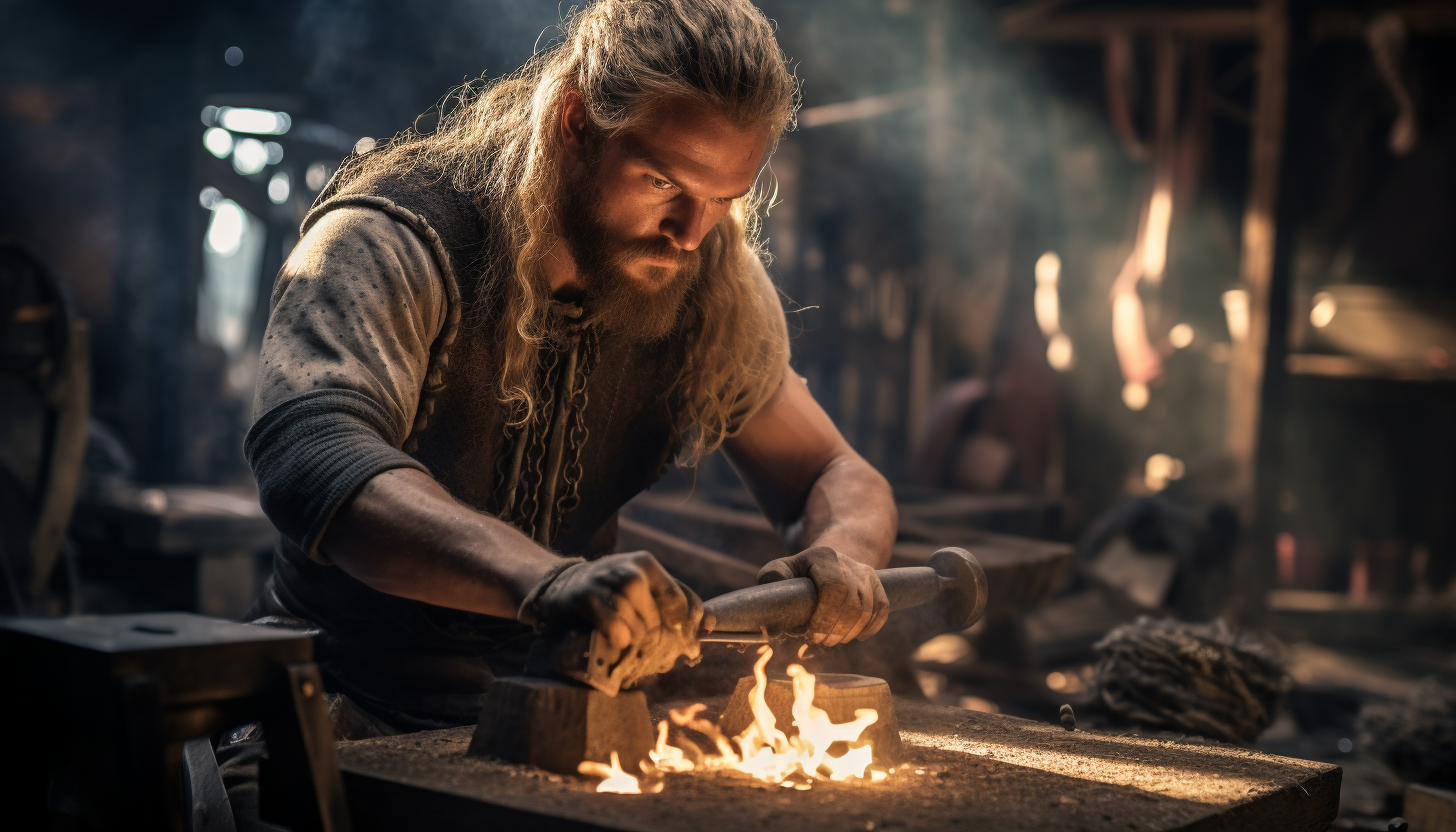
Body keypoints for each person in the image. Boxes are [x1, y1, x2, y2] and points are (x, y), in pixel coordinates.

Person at [243, 0, 897, 741]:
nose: (690, 234)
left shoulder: (712, 282)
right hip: (342, 703)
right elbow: (316, 464)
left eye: (722, 199)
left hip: (565, 714)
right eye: (662, 183)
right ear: (575, 122)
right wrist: (545, 581)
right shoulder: (389, 241)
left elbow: (835, 471)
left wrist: (840, 554)